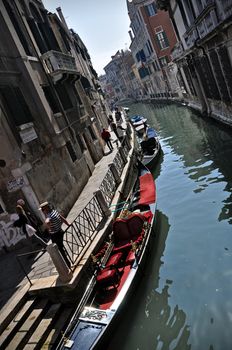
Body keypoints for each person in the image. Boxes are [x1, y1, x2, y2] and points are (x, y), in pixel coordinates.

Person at [39, 202, 71, 268]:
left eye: (42, 210)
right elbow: (62, 218)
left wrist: (49, 229)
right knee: (61, 248)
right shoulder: (54, 211)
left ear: (45, 209)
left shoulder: (49, 216)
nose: (42, 211)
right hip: (60, 231)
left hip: (55, 235)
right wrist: (68, 223)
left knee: (59, 251)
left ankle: (67, 265)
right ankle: (67, 262)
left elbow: (47, 222)